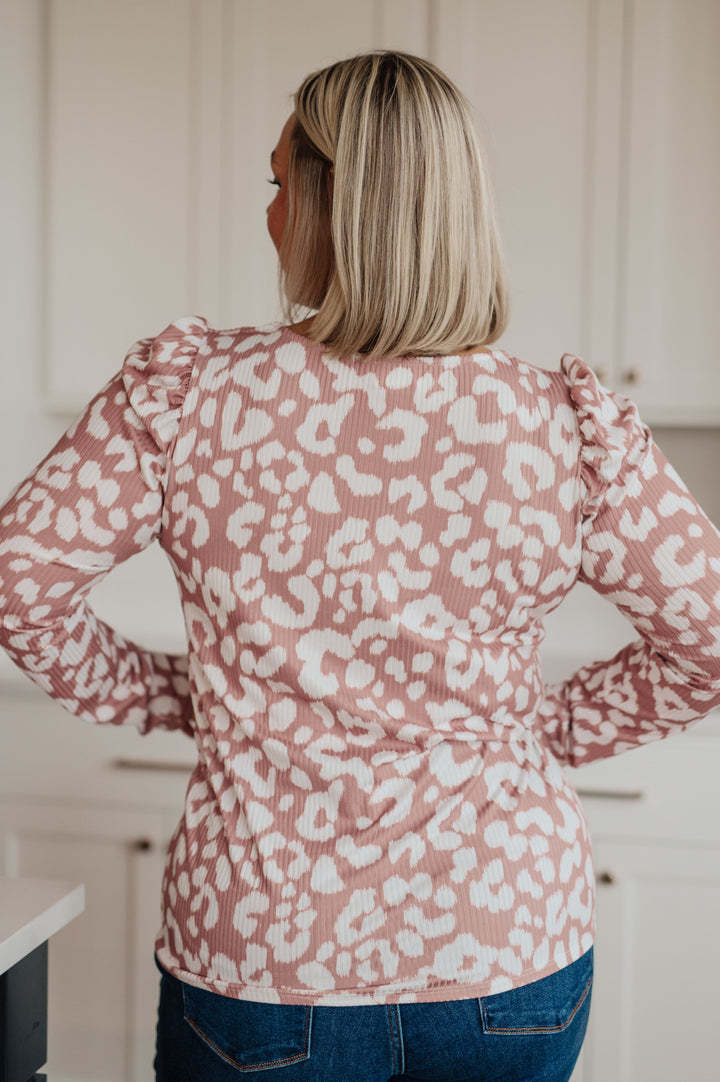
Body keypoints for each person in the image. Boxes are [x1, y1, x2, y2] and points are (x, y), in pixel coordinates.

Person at [1, 49, 719, 1082]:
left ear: (337, 206)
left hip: (263, 953)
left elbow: (18, 579)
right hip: (504, 948)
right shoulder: (562, 429)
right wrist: (556, 723)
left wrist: (174, 695)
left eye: (279, 183)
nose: (270, 214)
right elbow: (710, 632)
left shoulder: (188, 399)